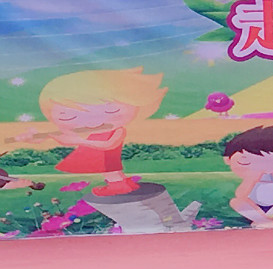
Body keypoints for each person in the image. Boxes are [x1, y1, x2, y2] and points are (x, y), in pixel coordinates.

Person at [22, 68, 168, 196]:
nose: (93, 121)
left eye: (112, 110)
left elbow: (108, 145)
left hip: (107, 157)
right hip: (104, 157)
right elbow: (67, 134)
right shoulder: (98, 129)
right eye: (68, 116)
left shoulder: (117, 130)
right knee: (112, 170)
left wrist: (79, 141)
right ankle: (125, 183)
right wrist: (45, 135)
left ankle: (118, 186)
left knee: (111, 170)